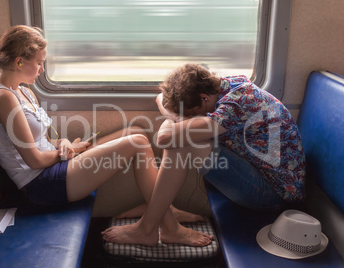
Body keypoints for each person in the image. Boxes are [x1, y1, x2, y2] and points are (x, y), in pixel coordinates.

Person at [0, 26, 212, 247]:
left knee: (137, 132)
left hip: (53, 166)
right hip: (40, 184)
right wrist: (66, 154)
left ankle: (163, 209)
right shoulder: (3, 98)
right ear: (20, 61)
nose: (42, 69)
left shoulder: (23, 91)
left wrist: (62, 143)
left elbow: (42, 141)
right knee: (138, 143)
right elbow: (33, 160)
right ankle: (165, 227)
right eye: (39, 63)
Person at [102, 63, 306, 245]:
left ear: (204, 98)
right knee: (181, 136)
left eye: (192, 113)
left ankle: (148, 227)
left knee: (183, 141)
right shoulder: (225, 86)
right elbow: (161, 100)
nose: (191, 118)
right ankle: (164, 214)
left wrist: (172, 117)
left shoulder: (235, 105)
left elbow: (164, 139)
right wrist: (179, 119)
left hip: (272, 193)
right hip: (258, 173)